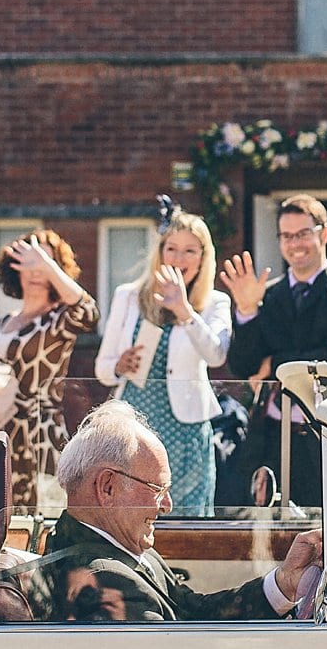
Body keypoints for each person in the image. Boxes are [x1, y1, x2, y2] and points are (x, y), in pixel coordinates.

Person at [43, 400, 327, 622]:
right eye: (158, 490)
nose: (168, 505)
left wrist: (284, 583)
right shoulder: (106, 579)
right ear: (107, 487)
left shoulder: (121, 550)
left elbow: (193, 611)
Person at [220, 195, 327, 507]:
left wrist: (274, 362)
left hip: (326, 435)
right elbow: (243, 366)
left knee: (325, 535)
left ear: (325, 233)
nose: (295, 244)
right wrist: (248, 312)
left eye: (303, 233)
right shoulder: (271, 294)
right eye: (287, 236)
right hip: (271, 437)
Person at [95, 202, 231, 516]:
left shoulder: (214, 302)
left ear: (203, 257)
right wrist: (120, 365)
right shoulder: (128, 296)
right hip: (133, 427)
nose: (179, 259)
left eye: (190, 251)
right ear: (160, 252)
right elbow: (102, 369)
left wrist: (185, 310)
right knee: (130, 512)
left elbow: (216, 355)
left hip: (186, 431)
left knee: (185, 517)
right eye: (172, 249)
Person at [0, 230, 99, 507]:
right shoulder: (8, 319)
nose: (36, 269)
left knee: (43, 513)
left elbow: (89, 312)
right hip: (4, 428)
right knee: (2, 513)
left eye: (44, 262)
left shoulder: (59, 318)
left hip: (40, 429)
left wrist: (46, 265)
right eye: (29, 261)